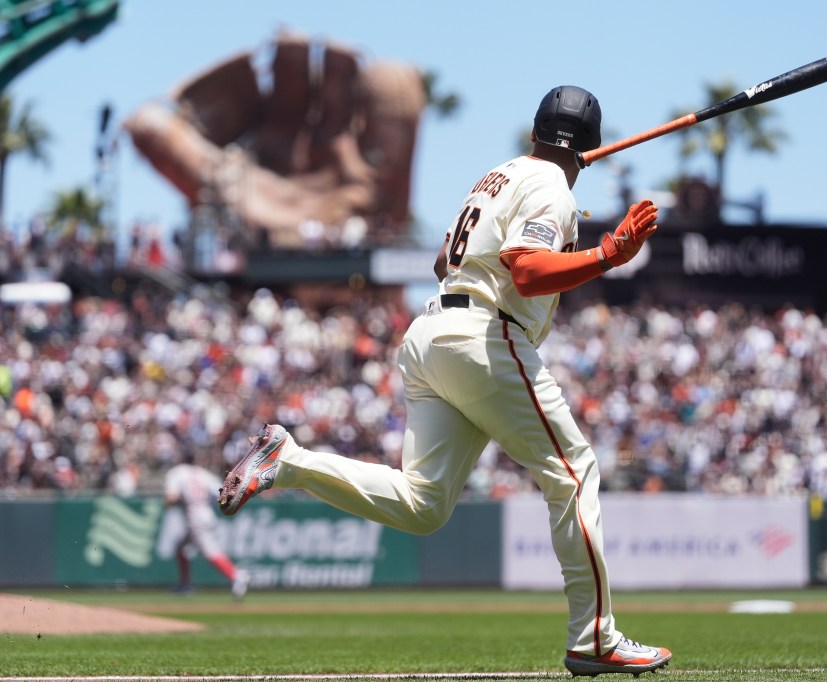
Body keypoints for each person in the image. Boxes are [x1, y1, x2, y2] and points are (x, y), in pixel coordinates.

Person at [219, 85, 670, 676]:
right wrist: (607, 254)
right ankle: (594, 638)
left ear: (536, 133)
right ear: (588, 145)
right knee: (574, 470)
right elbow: (530, 273)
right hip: (484, 338)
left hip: (433, 332)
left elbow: (441, 264)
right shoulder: (552, 187)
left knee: (424, 504)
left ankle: (290, 461)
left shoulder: (497, 176)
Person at [165, 449, 250, 599]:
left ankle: (236, 576)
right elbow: (222, 493)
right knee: (180, 547)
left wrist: (169, 504)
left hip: (194, 516)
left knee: (209, 551)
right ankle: (185, 584)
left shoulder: (177, 472)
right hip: (207, 513)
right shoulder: (203, 474)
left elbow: (172, 497)